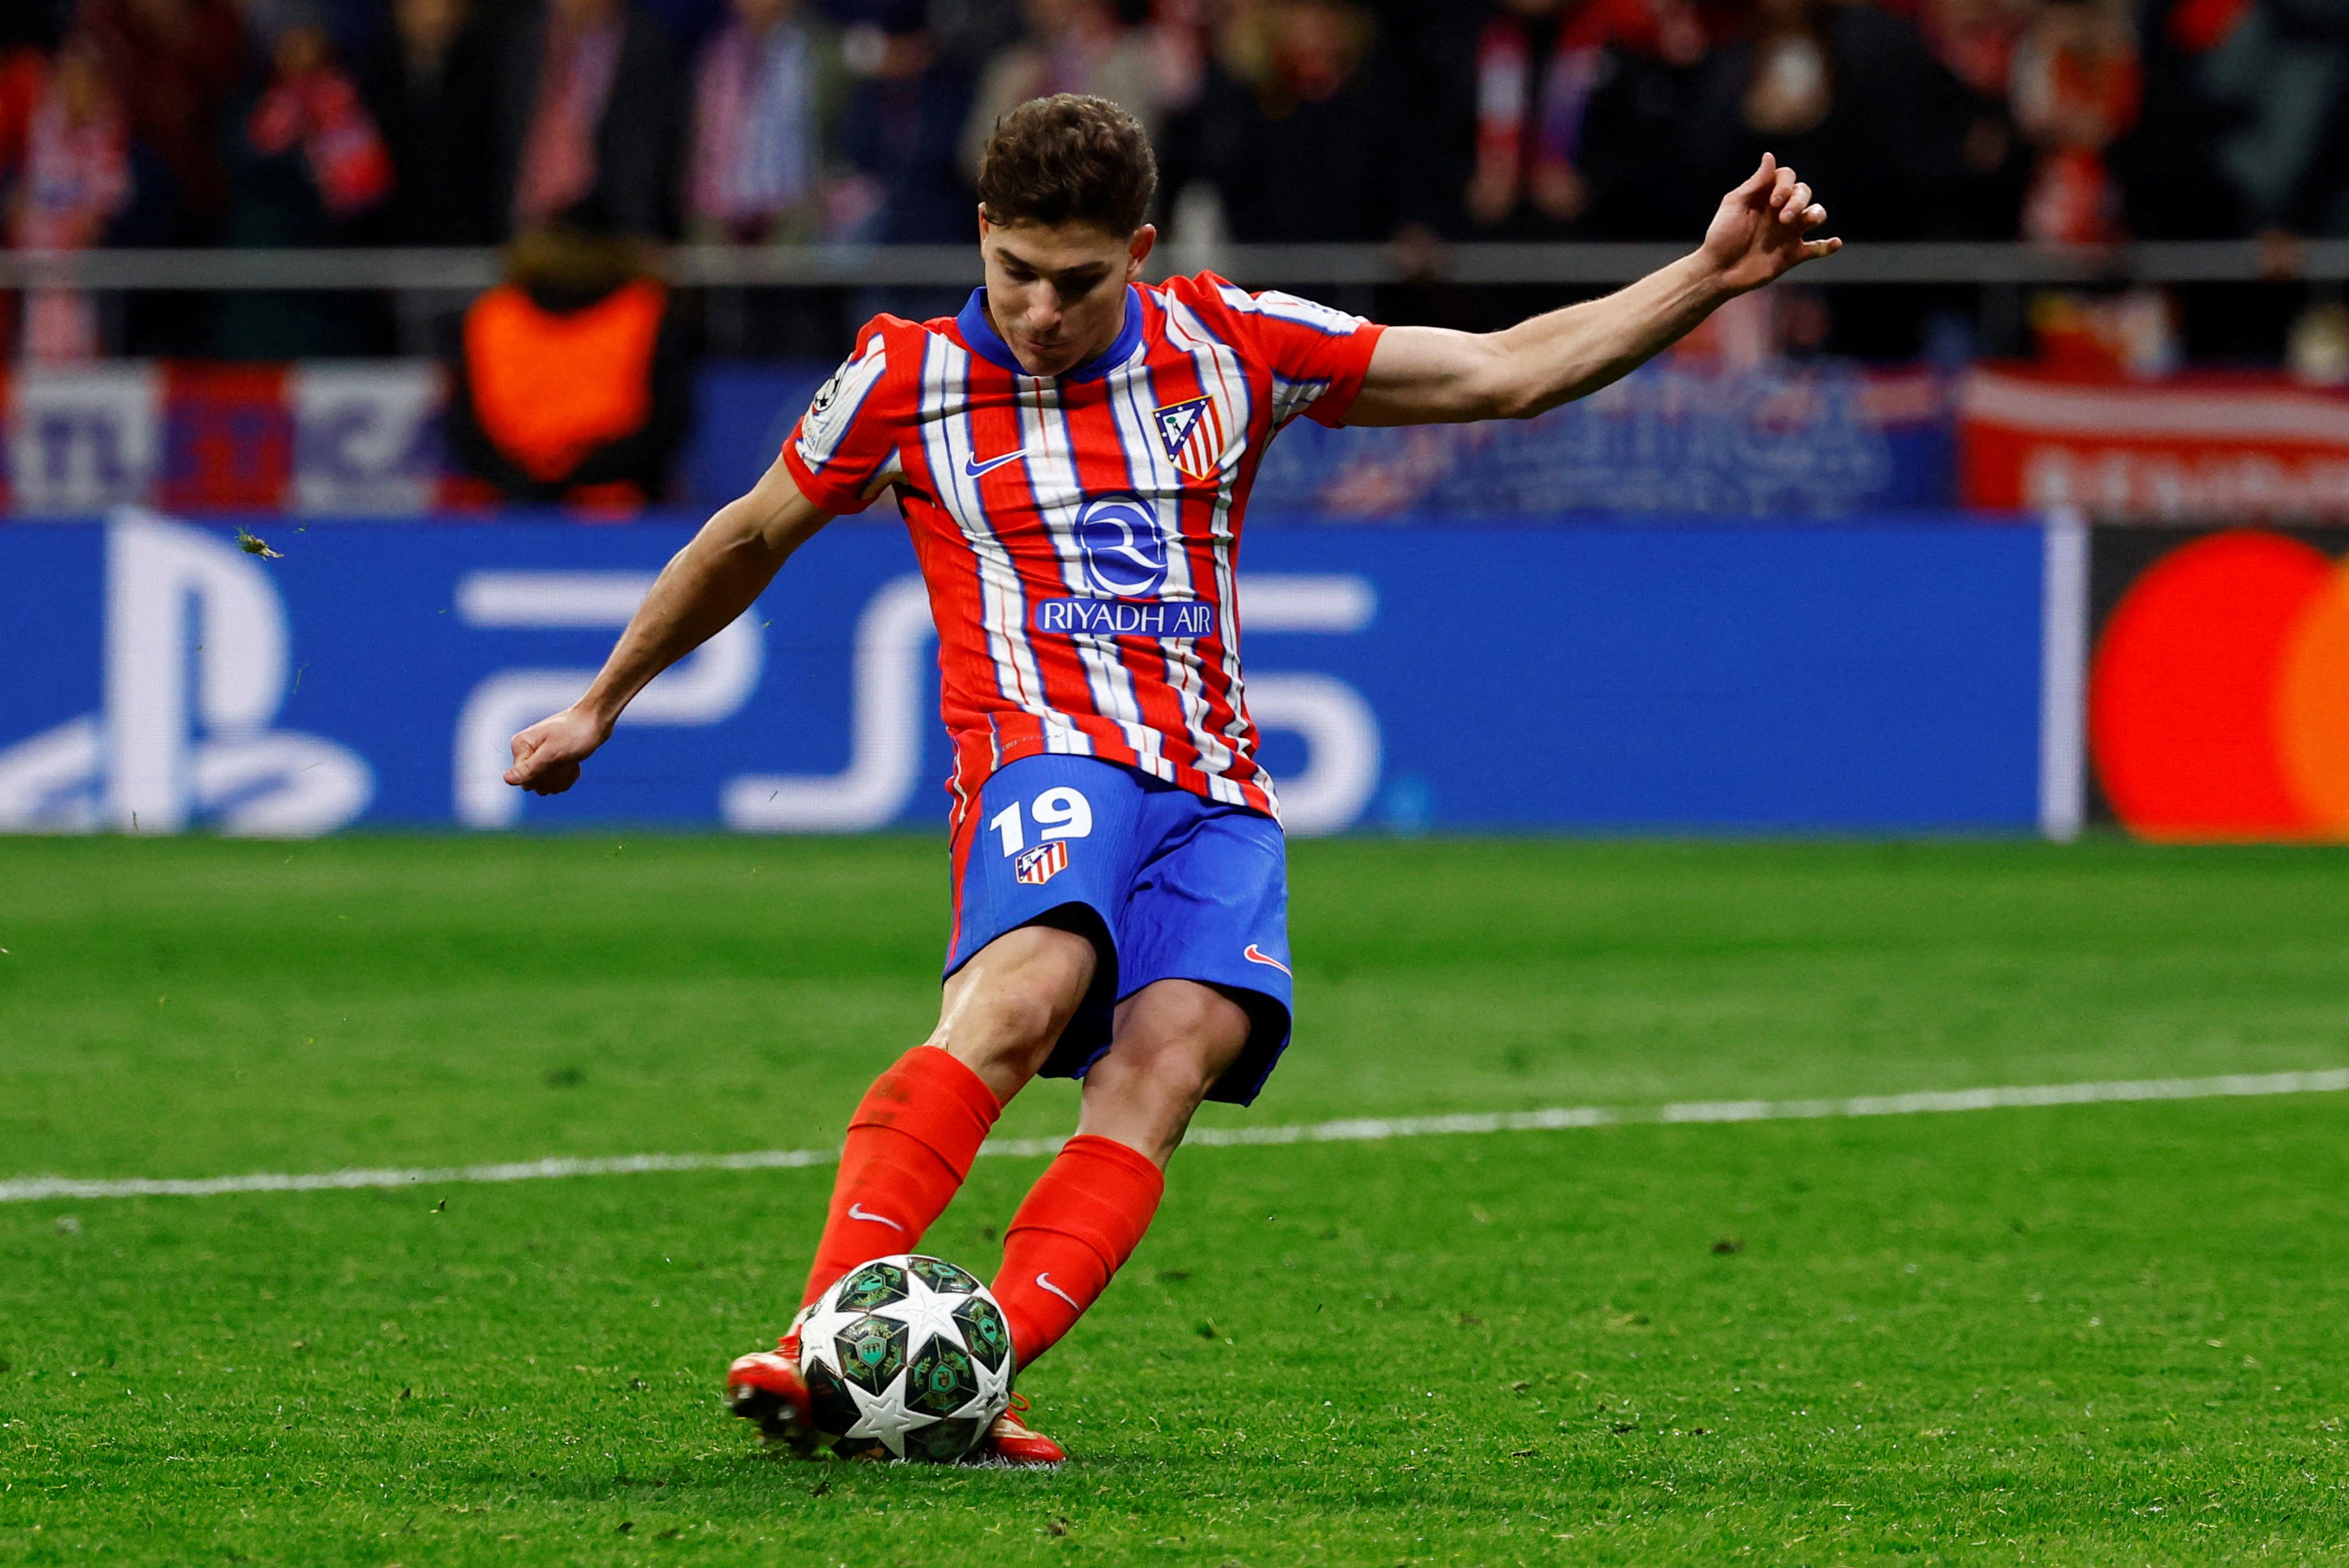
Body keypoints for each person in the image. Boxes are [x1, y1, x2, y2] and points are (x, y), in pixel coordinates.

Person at [499, 93, 1838, 1465]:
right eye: (1012, 271)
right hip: (1040, 753)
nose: (1037, 309)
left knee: (1171, 1057)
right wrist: (603, 700)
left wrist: (1707, 274)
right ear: (980, 234)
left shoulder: (1231, 342)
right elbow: (742, 536)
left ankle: (975, 1376)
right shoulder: (902, 376)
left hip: (1210, 791)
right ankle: (817, 1339)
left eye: (1077, 281)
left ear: (1139, 249)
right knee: (1025, 998)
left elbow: (1497, 370)